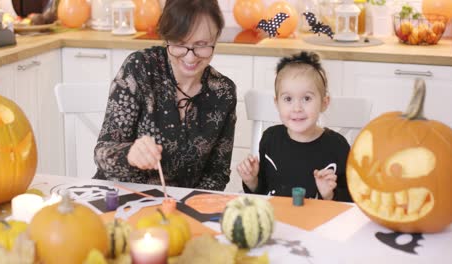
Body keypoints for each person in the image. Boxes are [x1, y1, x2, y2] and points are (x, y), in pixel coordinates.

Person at [93, 0, 237, 191]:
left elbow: (217, 173)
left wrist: (193, 205)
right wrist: (129, 155)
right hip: (121, 196)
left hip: (181, 209)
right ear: (167, 37)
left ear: (216, 37)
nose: (190, 57)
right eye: (179, 44)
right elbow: (102, 153)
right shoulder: (140, 68)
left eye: (201, 45)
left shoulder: (223, 92)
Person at [237, 51, 352, 202]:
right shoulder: (270, 139)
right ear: (277, 103)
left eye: (306, 98)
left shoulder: (338, 146)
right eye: (288, 99)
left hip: (317, 223)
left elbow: (352, 201)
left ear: (324, 103)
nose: (297, 108)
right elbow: (264, 191)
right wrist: (251, 180)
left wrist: (330, 194)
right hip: (276, 221)